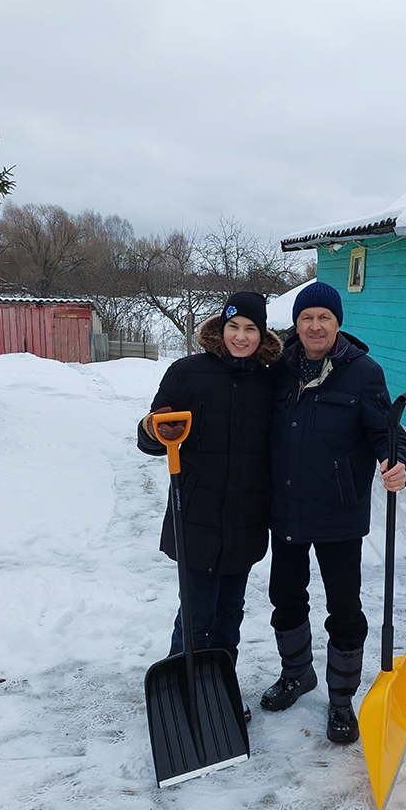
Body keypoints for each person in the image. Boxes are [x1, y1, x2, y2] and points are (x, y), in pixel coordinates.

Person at [261, 280, 406, 743]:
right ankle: (297, 673)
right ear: (297, 323)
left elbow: (388, 433)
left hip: (338, 513)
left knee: (344, 609)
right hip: (285, 507)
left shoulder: (363, 372)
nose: (314, 325)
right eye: (307, 317)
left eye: (324, 317)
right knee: (285, 599)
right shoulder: (278, 369)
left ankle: (342, 699)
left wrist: (398, 463)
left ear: (338, 323)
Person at [137, 292, 281, 720]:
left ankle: (219, 689)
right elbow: (150, 438)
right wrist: (151, 428)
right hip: (196, 514)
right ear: (221, 329)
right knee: (196, 611)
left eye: (250, 329)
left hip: (246, 517)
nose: (241, 336)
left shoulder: (269, 380)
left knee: (229, 614)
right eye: (234, 327)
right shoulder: (186, 373)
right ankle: (181, 696)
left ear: (261, 335)